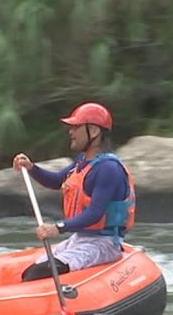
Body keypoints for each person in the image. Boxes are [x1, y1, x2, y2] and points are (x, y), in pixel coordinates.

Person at [12, 102, 135, 281]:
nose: (71, 132)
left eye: (76, 127)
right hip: (81, 238)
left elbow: (94, 213)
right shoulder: (82, 162)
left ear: (93, 131)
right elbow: (55, 181)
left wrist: (58, 228)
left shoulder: (109, 169)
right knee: (31, 271)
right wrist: (31, 168)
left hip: (104, 243)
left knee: (39, 274)